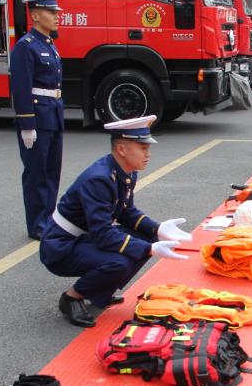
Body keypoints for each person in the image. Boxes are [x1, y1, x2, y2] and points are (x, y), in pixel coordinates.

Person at [39, 116, 191, 328]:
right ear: (121, 149)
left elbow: (126, 212)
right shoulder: (99, 179)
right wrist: (149, 248)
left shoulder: (125, 171)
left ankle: (99, 290)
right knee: (120, 261)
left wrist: (157, 229)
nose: (148, 154)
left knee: (145, 239)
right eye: (142, 147)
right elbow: (103, 234)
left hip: (85, 236)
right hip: (62, 247)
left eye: (148, 148)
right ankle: (71, 298)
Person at [10, 0, 65, 240]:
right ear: (35, 15)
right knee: (36, 173)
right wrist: (27, 124)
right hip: (37, 117)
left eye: (56, 13)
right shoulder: (26, 46)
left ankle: (48, 218)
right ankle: (37, 225)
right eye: (51, 13)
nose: (56, 17)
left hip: (52, 113)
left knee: (52, 170)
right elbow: (21, 87)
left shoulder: (48, 44)